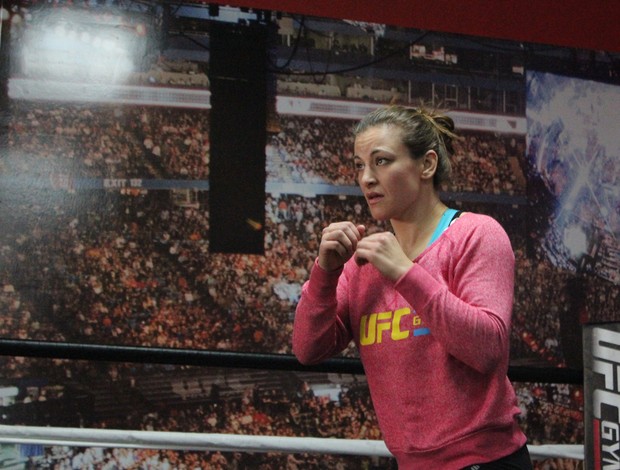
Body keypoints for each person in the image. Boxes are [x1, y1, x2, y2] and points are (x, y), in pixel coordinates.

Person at [292, 105, 531, 469]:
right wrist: (324, 273)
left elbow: (487, 349)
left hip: (486, 461)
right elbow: (308, 349)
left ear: (427, 165)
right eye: (360, 165)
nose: (366, 178)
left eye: (382, 161)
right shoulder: (364, 263)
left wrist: (405, 273)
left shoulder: (475, 234)